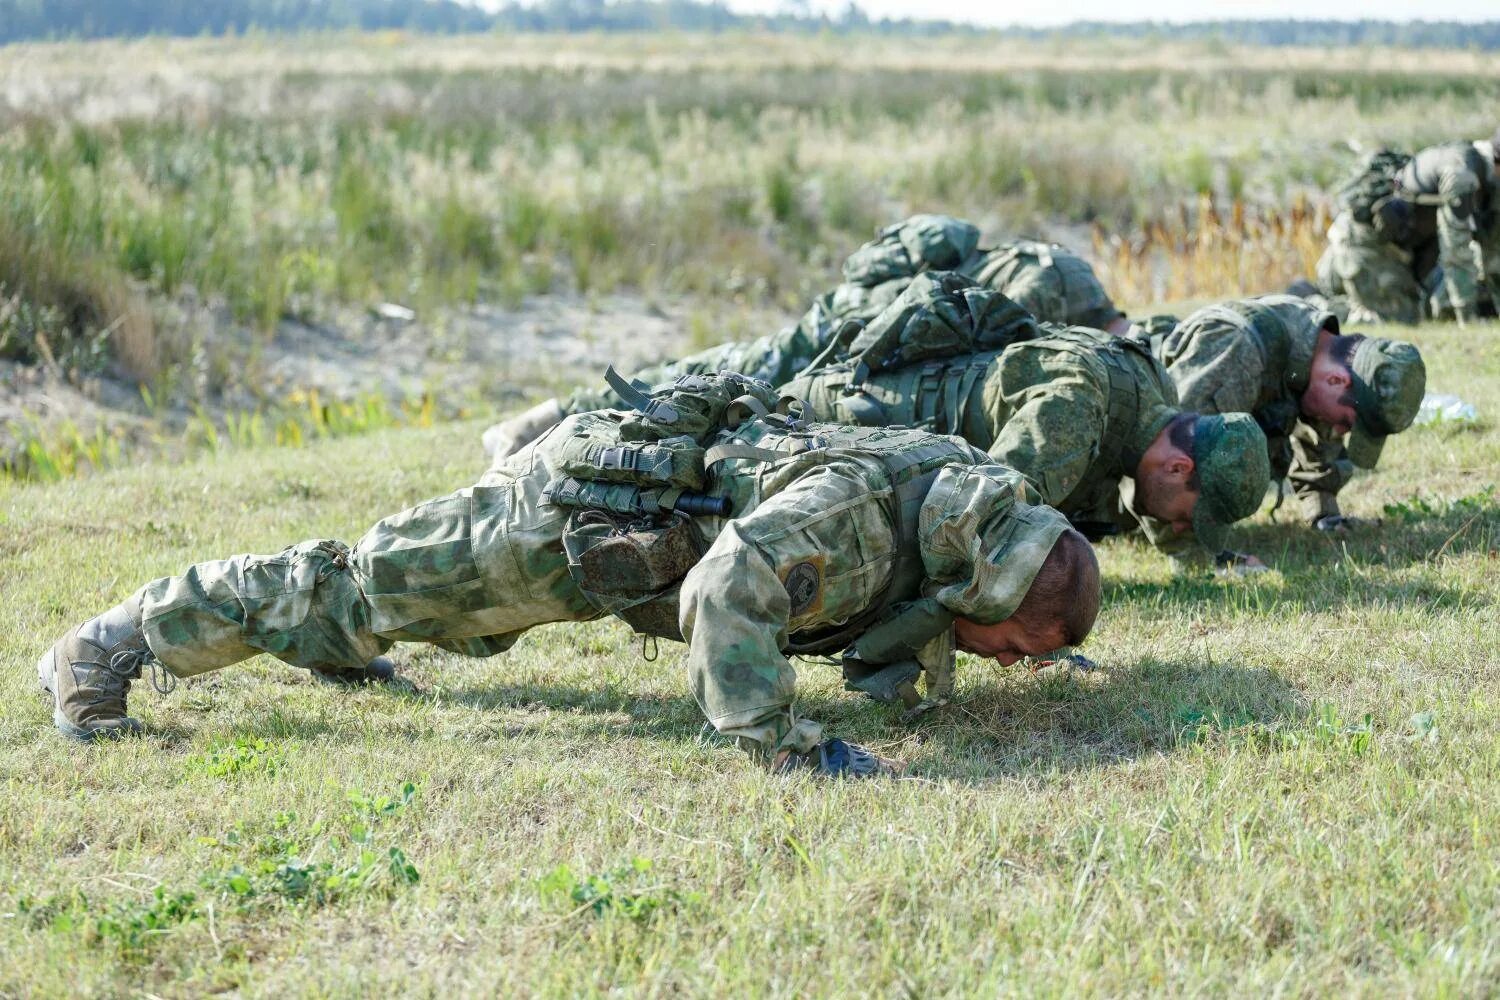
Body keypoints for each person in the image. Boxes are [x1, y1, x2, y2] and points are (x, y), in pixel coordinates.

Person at [37, 381, 1100, 778]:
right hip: (567, 519)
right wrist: (785, 746)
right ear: (992, 596)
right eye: (1016, 652)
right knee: (357, 584)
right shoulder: (870, 526)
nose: (1008, 668)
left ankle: (350, 654)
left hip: (619, 532)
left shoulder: (969, 508)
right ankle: (110, 642)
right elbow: (729, 587)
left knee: (439, 624)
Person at [483, 215, 1127, 461]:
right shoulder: (1056, 305)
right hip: (863, 321)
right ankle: (553, 419)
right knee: (729, 372)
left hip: (877, 316)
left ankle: (562, 414)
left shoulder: (1076, 285)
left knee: (733, 367)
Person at [778, 273, 1272, 566]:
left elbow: (1156, 505)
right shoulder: (1073, 414)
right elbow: (983, 519)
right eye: (1190, 516)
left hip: (891, 432)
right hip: (842, 415)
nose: (1181, 526)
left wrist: (1212, 555)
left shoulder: (1154, 394)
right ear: (1179, 467)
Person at [1135, 294, 1426, 531]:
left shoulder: (1314, 349)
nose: (1339, 431)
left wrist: (1323, 514)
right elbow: (1167, 459)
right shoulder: (1236, 352)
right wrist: (1204, 555)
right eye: (1346, 423)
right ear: (1337, 380)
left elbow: (1319, 437)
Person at [1316, 129, 1499, 325]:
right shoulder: (1462, 175)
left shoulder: (1487, 180)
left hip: (1396, 252)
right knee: (1401, 319)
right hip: (1365, 244)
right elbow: (1455, 248)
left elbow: (1492, 250)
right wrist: (1467, 318)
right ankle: (1314, 311)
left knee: (1417, 311)